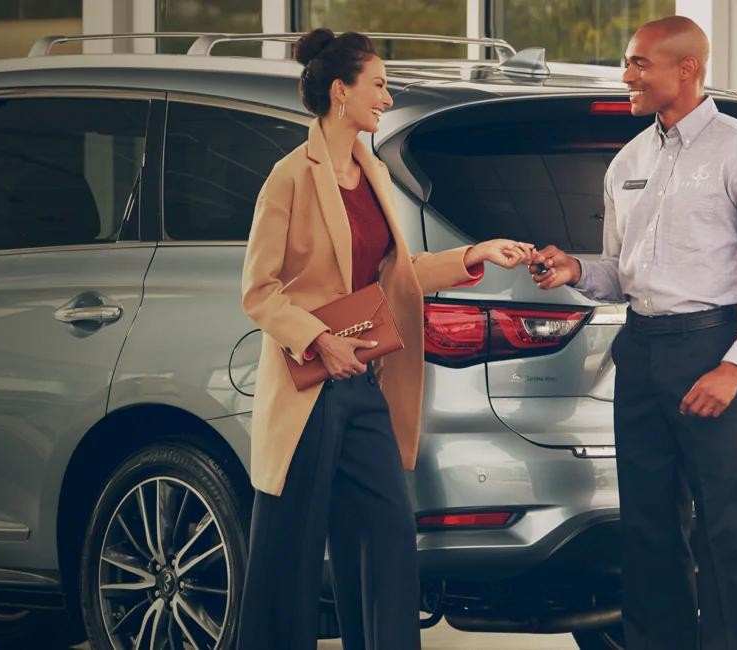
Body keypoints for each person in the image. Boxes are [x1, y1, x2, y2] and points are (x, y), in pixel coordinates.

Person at [236, 28, 533, 650]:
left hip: (365, 386)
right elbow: (259, 291)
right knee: (288, 554)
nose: (387, 96)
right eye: (378, 85)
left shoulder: (371, 170)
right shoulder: (289, 177)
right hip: (309, 390)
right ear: (340, 92)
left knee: (389, 541)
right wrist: (320, 341)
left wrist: (472, 255)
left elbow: (395, 276)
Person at [529, 15, 737, 650]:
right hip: (641, 352)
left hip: (710, 350)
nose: (627, 75)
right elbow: (620, 274)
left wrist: (734, 367)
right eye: (627, 63)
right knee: (648, 528)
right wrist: (574, 269)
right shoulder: (629, 159)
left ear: (688, 68)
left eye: (639, 63)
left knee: (729, 527)